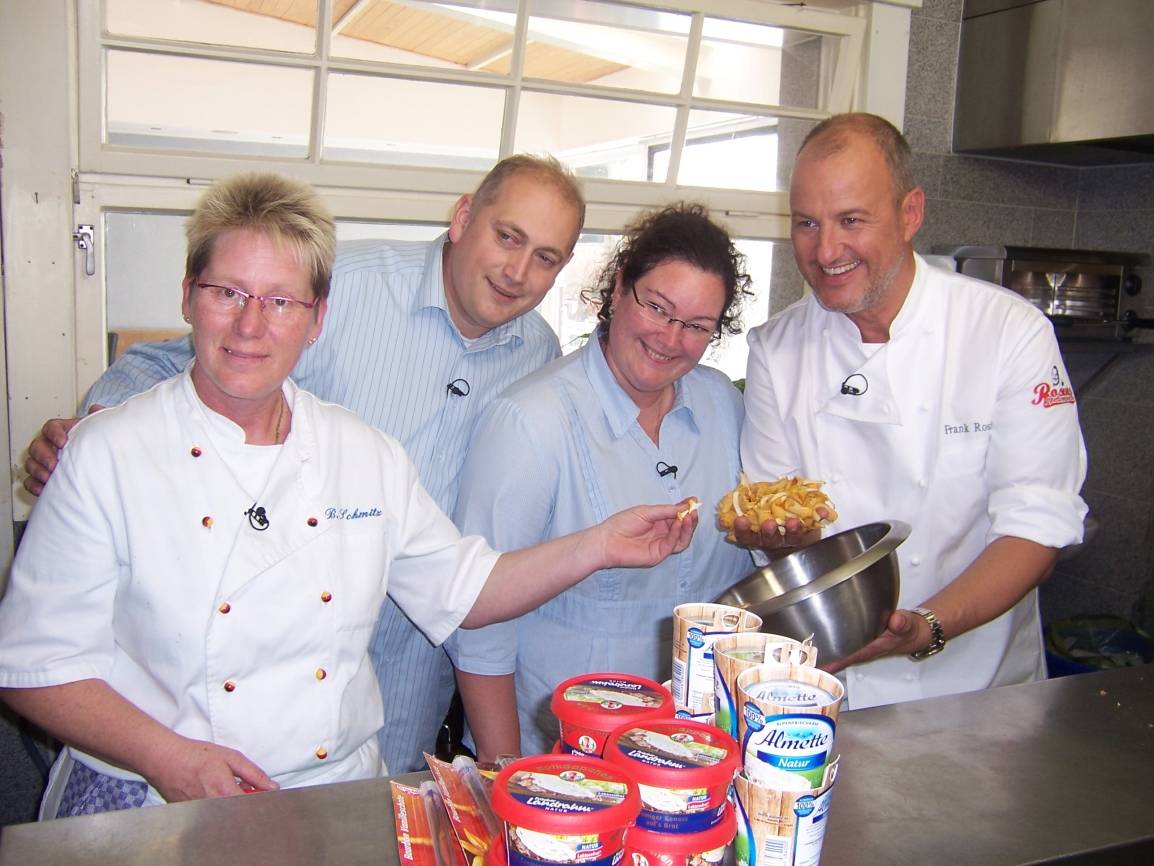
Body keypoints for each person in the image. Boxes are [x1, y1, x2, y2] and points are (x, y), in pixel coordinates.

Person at [0, 172, 699, 818]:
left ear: (316, 319)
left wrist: (602, 543)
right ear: (189, 297)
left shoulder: (364, 452)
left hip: (333, 796)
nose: (252, 326)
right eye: (227, 294)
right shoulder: (108, 454)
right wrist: (168, 759)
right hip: (152, 799)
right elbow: (30, 664)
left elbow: (467, 587)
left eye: (281, 303)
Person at [737, 113, 1088, 709]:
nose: (826, 251)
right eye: (806, 224)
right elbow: (788, 535)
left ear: (910, 214)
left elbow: (1037, 525)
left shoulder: (1006, 331)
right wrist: (777, 538)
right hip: (833, 693)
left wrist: (927, 625)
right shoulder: (776, 349)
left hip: (981, 692)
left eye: (851, 220)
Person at [447, 203, 755, 759]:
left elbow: (734, 582)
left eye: (697, 326)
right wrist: (506, 773)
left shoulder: (724, 407)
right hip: (561, 757)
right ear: (618, 290)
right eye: (658, 308)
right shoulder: (532, 421)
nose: (670, 337)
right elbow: (477, 622)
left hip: (692, 753)